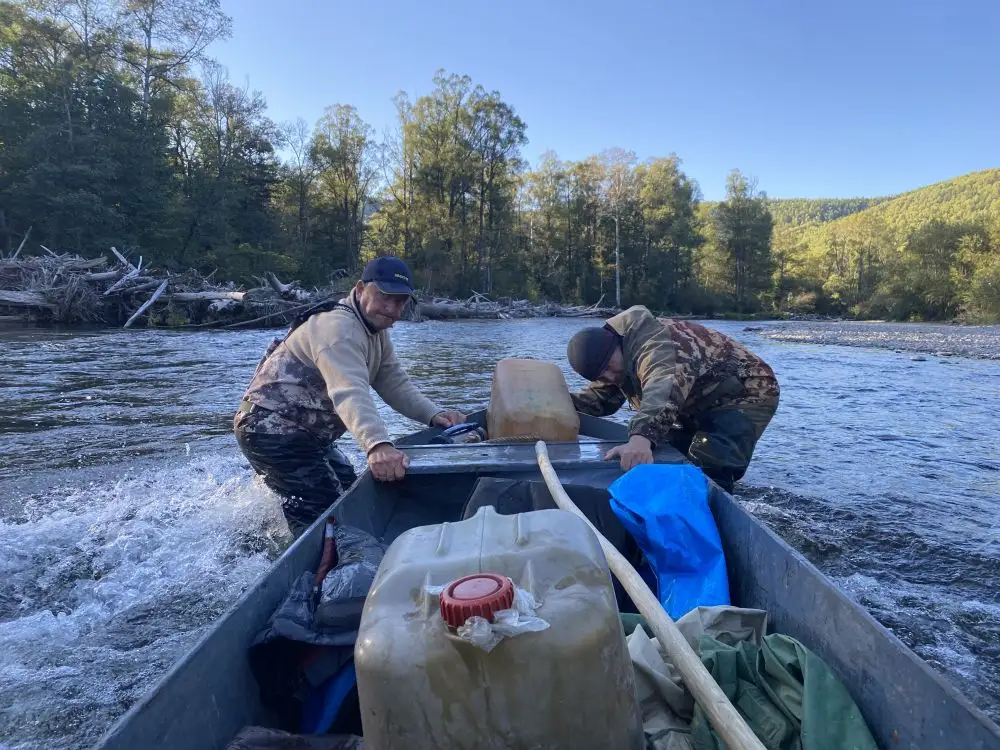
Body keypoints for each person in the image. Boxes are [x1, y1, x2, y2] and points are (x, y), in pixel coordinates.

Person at [234, 256, 466, 535]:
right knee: (325, 512)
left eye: (401, 301)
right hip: (270, 430)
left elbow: (393, 381)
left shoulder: (374, 330)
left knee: (348, 489)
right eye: (385, 297)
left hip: (304, 433)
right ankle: (315, 571)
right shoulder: (339, 329)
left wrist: (434, 415)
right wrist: (378, 445)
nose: (392, 309)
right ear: (360, 289)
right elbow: (349, 391)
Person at [565, 306, 779, 492]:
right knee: (671, 454)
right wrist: (552, 403)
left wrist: (640, 438)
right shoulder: (615, 359)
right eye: (602, 376)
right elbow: (598, 400)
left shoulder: (657, 346)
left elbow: (663, 390)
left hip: (746, 392)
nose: (610, 378)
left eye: (610, 368)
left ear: (617, 345)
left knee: (711, 461)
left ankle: (713, 521)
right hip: (696, 401)